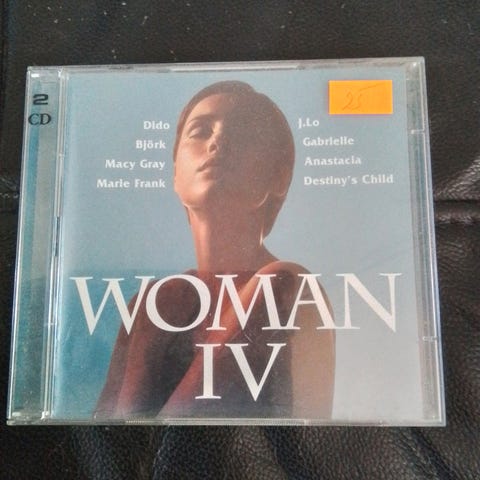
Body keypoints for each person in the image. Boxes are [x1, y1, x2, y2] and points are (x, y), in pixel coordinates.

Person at [95, 81, 334, 420]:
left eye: (245, 134)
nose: (218, 142)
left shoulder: (287, 283)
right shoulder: (154, 301)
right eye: (200, 130)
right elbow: (107, 431)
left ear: (279, 177)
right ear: (175, 174)